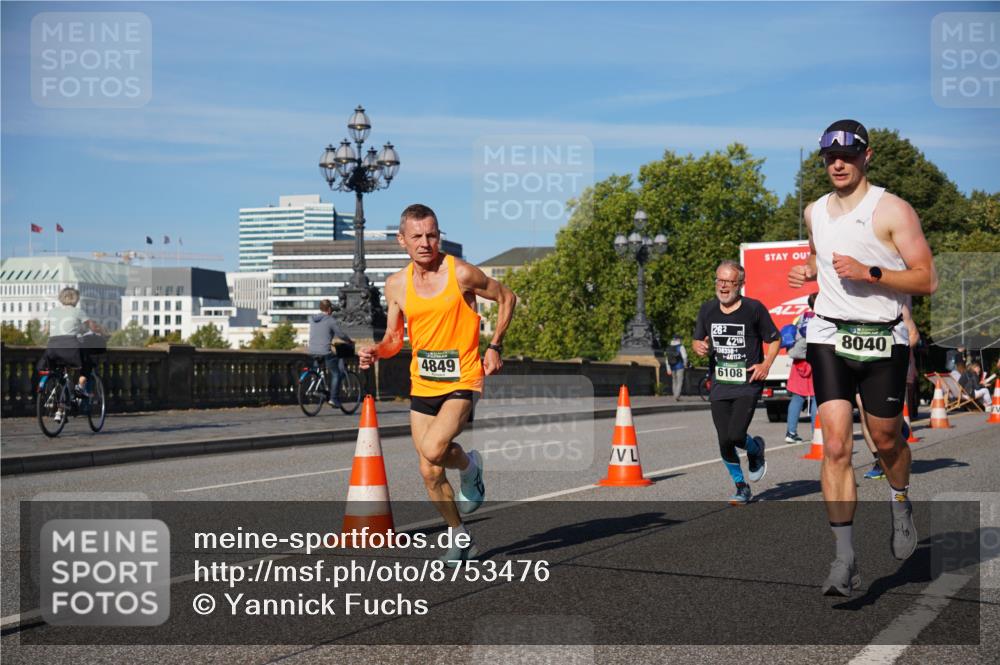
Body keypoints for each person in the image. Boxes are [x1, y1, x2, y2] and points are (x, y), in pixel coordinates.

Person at [788, 119, 938, 597]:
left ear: (866, 156)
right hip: (830, 333)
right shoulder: (815, 211)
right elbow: (821, 251)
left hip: (882, 338)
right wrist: (810, 268)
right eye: (830, 157)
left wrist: (871, 272)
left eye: (848, 155)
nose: (838, 163)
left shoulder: (892, 210)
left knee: (886, 439)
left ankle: (900, 500)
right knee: (835, 445)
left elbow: (925, 279)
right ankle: (845, 559)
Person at [359, 204, 516, 564]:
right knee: (429, 470)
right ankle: (460, 535)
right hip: (423, 383)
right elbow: (395, 338)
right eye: (417, 236)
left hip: (463, 376)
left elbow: (507, 296)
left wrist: (494, 346)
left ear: (438, 235)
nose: (426, 242)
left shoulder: (459, 273)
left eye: (432, 234)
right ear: (402, 240)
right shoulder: (396, 285)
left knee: (432, 449)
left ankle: (468, 469)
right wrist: (377, 352)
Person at [694, 260, 780, 506]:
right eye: (719, 280)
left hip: (747, 382)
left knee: (736, 434)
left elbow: (775, 339)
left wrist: (766, 365)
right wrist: (698, 345)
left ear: (740, 284)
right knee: (724, 440)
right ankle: (741, 486)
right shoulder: (707, 309)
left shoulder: (754, 309)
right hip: (720, 383)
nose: (723, 286)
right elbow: (698, 339)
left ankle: (755, 450)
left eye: (729, 282)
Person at [41, 287, 106, 419]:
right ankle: (80, 387)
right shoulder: (78, 312)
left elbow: (46, 331)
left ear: (61, 298)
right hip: (70, 348)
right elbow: (92, 327)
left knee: (60, 375)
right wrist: (103, 332)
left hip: (52, 348)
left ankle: (60, 407)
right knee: (87, 363)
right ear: (76, 299)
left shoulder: (52, 312)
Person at [307, 299, 353, 408]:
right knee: (336, 373)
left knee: (317, 370)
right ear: (329, 309)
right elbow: (340, 334)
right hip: (325, 351)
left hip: (312, 350)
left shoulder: (312, 319)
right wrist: (349, 340)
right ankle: (333, 398)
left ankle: (317, 387)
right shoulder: (330, 320)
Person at [785, 293, 817, 444]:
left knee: (797, 398)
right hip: (816, 361)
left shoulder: (801, 317)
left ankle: (791, 433)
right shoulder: (824, 317)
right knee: (817, 398)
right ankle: (816, 433)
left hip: (798, 361)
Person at [665, 334, 688, 401]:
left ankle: (675, 395)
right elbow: (684, 357)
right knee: (679, 381)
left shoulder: (669, 347)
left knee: (674, 381)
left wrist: (668, 369)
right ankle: (677, 396)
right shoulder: (681, 347)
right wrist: (685, 364)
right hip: (680, 366)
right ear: (678, 339)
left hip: (672, 366)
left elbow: (667, 359)